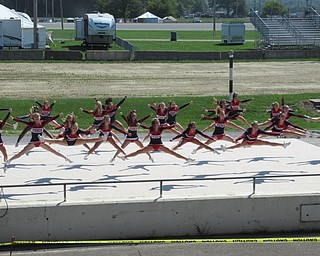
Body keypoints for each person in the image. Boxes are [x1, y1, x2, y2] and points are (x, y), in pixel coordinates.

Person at [6, 113, 72, 167]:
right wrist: (14, 119)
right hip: (33, 142)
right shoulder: (31, 124)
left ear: (40, 117)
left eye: (37, 117)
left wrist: (58, 115)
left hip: (41, 141)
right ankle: (9, 160)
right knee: (21, 153)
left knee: (53, 150)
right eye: (35, 117)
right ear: (33, 119)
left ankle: (65, 158)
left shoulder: (42, 124)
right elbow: (22, 121)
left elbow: (50, 119)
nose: (37, 118)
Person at [118, 118, 194, 162]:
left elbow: (168, 128)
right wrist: (140, 125)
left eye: (158, 122)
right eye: (157, 122)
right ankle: (124, 156)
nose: (159, 123)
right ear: (154, 124)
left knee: (172, 153)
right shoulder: (151, 128)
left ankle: (187, 159)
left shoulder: (161, 128)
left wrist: (173, 125)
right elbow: (146, 127)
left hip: (160, 145)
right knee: (138, 152)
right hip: (151, 145)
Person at [220, 121, 291, 151]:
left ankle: (283, 145)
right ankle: (226, 148)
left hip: (253, 141)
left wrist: (279, 134)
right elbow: (243, 136)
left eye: (257, 126)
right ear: (252, 126)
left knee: (267, 142)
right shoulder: (249, 130)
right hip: (247, 141)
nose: (256, 128)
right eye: (255, 127)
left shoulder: (259, 131)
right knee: (238, 145)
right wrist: (237, 139)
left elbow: (269, 133)